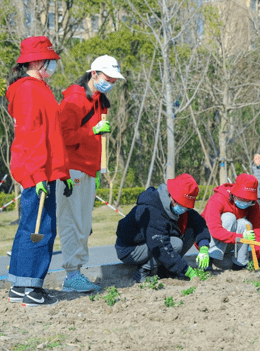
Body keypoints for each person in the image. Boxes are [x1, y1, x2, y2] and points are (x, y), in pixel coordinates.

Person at [6, 36, 73, 306]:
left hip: (44, 169)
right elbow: (31, 135)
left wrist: (62, 172)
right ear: (36, 60)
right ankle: (33, 291)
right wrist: (38, 174)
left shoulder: (37, 87)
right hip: (37, 170)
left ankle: (20, 287)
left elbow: (51, 134)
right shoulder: (29, 90)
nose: (53, 65)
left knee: (29, 227)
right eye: (50, 60)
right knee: (40, 229)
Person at [56, 55, 125, 293]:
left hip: (89, 168)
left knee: (84, 225)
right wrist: (93, 131)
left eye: (115, 80)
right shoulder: (73, 99)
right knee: (72, 222)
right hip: (71, 168)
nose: (112, 83)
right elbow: (63, 137)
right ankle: (71, 275)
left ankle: (76, 272)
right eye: (109, 78)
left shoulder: (99, 101)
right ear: (94, 74)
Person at [115, 174, 210, 282]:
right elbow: (161, 247)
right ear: (173, 198)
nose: (184, 209)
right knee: (175, 243)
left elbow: (199, 222)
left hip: (152, 244)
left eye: (187, 207)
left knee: (190, 231)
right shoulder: (151, 211)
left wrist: (204, 246)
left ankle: (166, 271)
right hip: (130, 249)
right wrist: (186, 270)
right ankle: (143, 271)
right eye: (183, 205)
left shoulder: (176, 207)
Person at [202, 173, 260, 269]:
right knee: (229, 217)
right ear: (234, 193)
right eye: (242, 198)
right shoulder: (217, 199)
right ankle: (211, 258)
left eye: (248, 200)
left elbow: (257, 229)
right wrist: (242, 237)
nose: (245, 202)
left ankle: (240, 263)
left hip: (231, 243)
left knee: (245, 224)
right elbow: (215, 230)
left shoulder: (253, 205)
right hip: (210, 242)